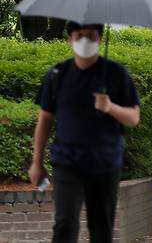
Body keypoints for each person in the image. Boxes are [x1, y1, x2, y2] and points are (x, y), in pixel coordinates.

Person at [29, 22, 141, 242]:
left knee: (101, 227)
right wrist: (36, 161)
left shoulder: (116, 74)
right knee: (64, 223)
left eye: (90, 36)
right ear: (70, 39)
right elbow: (45, 119)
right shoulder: (57, 75)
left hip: (105, 163)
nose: (84, 41)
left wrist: (110, 107)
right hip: (67, 162)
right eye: (79, 36)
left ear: (99, 38)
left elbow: (133, 118)